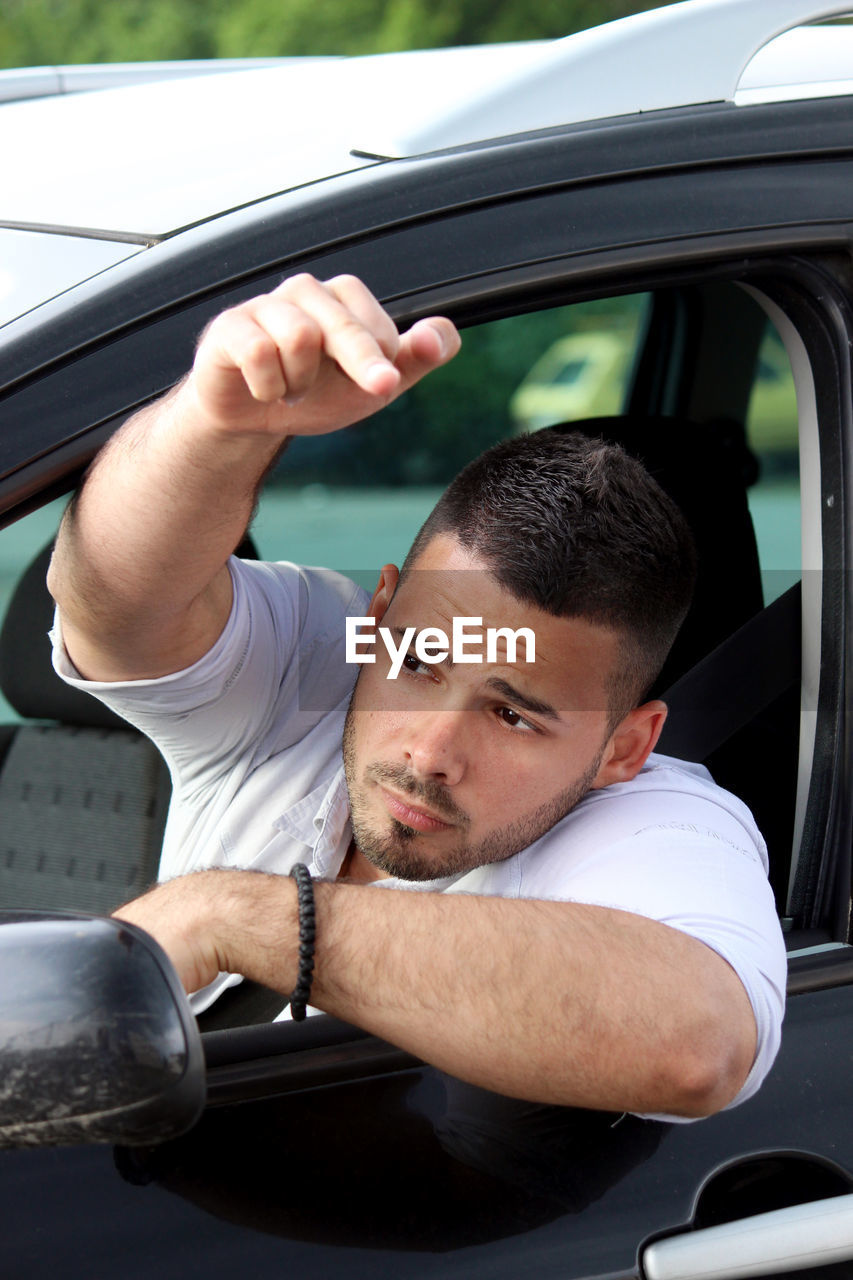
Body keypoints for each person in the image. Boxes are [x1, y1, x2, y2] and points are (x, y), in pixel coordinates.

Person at [47, 273, 785, 1122]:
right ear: (381, 608)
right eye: (420, 660)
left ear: (624, 746)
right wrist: (216, 425)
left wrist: (232, 917)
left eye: (512, 714)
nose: (427, 754)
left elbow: (695, 1048)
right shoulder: (313, 659)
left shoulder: (662, 823)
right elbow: (109, 606)